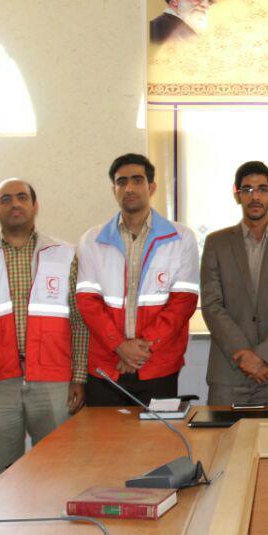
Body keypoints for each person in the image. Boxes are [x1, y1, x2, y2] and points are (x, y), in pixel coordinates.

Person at [0, 179, 88, 475]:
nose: (14, 204)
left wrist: (78, 377)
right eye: (5, 199)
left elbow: (79, 321)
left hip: (54, 380)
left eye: (21, 197)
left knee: (57, 470)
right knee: (4, 472)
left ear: (34, 205)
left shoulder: (64, 253)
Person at [77, 154, 199, 406]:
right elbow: (87, 303)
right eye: (121, 182)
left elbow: (182, 304)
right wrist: (120, 346)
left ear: (151, 187)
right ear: (114, 189)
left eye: (137, 180)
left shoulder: (181, 238)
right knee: (103, 432)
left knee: (157, 432)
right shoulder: (92, 239)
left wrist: (141, 349)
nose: (129, 188)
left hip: (158, 365)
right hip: (106, 366)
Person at [200, 161, 268, 405]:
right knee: (222, 431)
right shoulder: (217, 243)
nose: (255, 196)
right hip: (229, 373)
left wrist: (263, 356)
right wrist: (245, 358)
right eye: (247, 190)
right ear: (237, 195)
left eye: (262, 189)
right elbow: (212, 305)